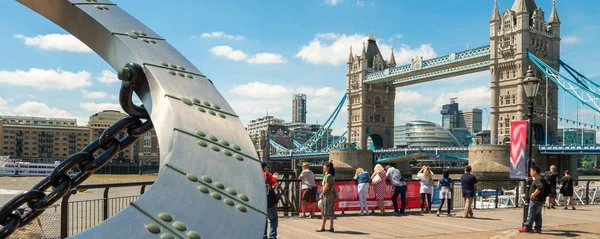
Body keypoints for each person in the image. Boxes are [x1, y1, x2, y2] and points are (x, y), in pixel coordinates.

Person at [519, 165, 544, 233]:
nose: (530, 173)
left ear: (534, 171)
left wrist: (533, 194)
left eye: (531, 171)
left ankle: (526, 227)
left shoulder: (537, 179)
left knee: (531, 214)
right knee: (538, 215)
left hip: (535, 199)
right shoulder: (541, 177)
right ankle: (538, 228)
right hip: (540, 199)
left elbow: (540, 187)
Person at [317, 162, 336, 233]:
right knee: (330, 211)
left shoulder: (328, 176)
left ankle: (322, 227)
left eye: (324, 166)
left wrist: (322, 194)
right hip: (330, 194)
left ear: (328, 167)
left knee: (325, 211)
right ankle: (331, 227)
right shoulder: (328, 175)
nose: (323, 167)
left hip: (327, 195)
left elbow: (326, 186)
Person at [262, 162, 278, 239]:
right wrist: (274, 190)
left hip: (259, 202)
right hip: (269, 201)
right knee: (273, 219)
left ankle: (263, 236)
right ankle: (272, 236)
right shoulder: (268, 175)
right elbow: (275, 184)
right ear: (265, 167)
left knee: (263, 219)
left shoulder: (255, 175)